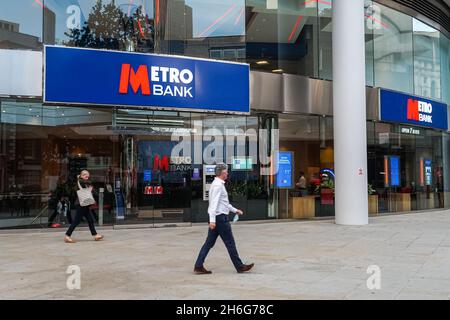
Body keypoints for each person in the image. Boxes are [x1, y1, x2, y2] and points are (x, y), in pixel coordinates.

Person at [194, 163, 254, 274]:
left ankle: (198, 265)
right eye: (226, 171)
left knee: (209, 243)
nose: (227, 173)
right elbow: (213, 204)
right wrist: (212, 220)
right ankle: (239, 266)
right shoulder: (218, 185)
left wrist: (235, 210)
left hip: (217, 218)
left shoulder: (217, 184)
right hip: (220, 219)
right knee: (230, 243)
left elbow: (223, 203)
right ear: (222, 172)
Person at [64, 170, 104, 243]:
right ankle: (67, 235)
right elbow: (88, 182)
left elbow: (94, 191)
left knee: (90, 220)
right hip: (81, 204)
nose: (86, 176)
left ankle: (95, 235)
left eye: (87, 175)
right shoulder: (80, 181)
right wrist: (89, 184)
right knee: (76, 221)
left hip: (85, 204)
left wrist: (93, 191)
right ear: (81, 175)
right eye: (85, 174)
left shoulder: (86, 183)